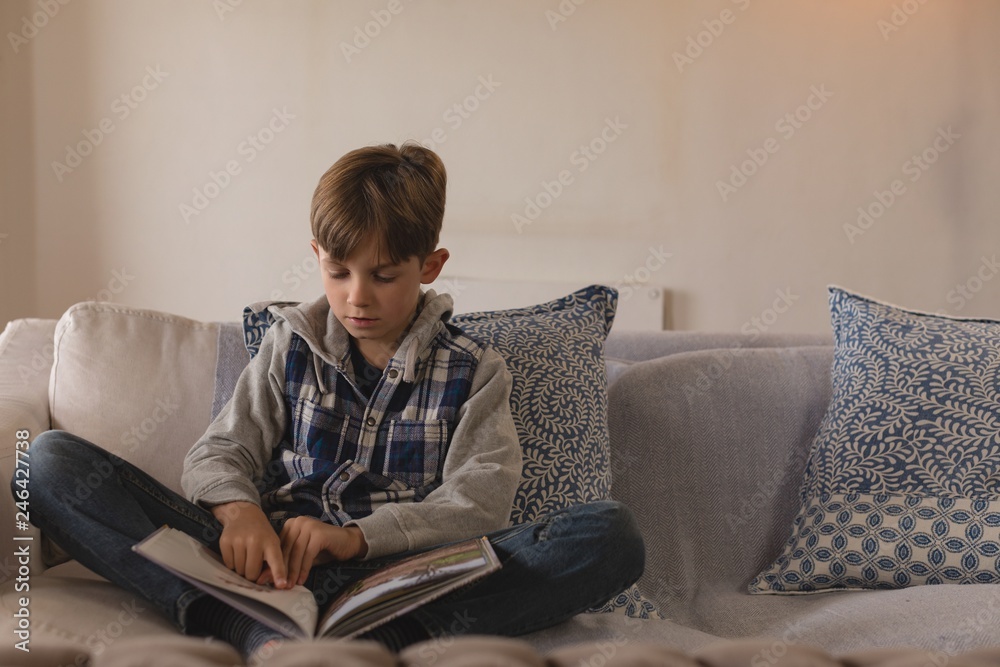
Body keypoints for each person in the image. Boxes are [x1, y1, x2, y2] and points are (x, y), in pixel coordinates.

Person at [19, 142, 645, 663]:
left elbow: (478, 501)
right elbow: (222, 450)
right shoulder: (288, 344)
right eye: (339, 271)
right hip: (264, 570)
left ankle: (382, 635)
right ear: (317, 256)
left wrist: (352, 539)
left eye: (383, 275)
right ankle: (244, 622)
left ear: (429, 266)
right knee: (47, 462)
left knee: (610, 536)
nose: (357, 298)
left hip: (402, 581)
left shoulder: (475, 371)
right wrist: (240, 514)